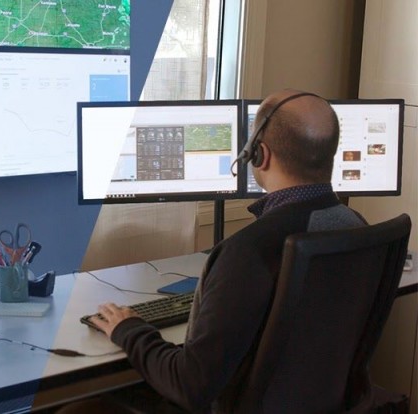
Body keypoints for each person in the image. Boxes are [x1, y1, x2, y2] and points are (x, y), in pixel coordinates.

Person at [62, 89, 367, 414]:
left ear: (258, 155)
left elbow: (190, 386)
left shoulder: (249, 251)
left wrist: (130, 330)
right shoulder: (356, 228)